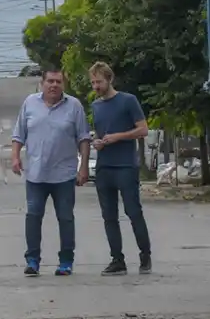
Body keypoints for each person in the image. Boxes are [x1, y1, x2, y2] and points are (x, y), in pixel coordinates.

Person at [12, 68, 91, 276]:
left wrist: (83, 166)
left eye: (58, 81)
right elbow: (19, 134)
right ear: (42, 83)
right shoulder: (30, 103)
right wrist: (15, 157)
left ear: (63, 84)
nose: (54, 85)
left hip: (64, 174)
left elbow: (83, 138)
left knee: (65, 218)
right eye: (50, 81)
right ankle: (32, 261)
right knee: (33, 216)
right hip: (35, 174)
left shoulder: (74, 106)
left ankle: (66, 261)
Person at [89, 62, 152, 275]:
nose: (96, 86)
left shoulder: (128, 100)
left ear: (109, 79)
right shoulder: (96, 106)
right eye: (93, 82)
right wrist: (98, 142)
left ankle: (145, 255)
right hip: (104, 166)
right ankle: (117, 259)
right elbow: (100, 133)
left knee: (133, 211)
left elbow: (143, 129)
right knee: (109, 216)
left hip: (125, 165)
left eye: (99, 81)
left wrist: (118, 137)